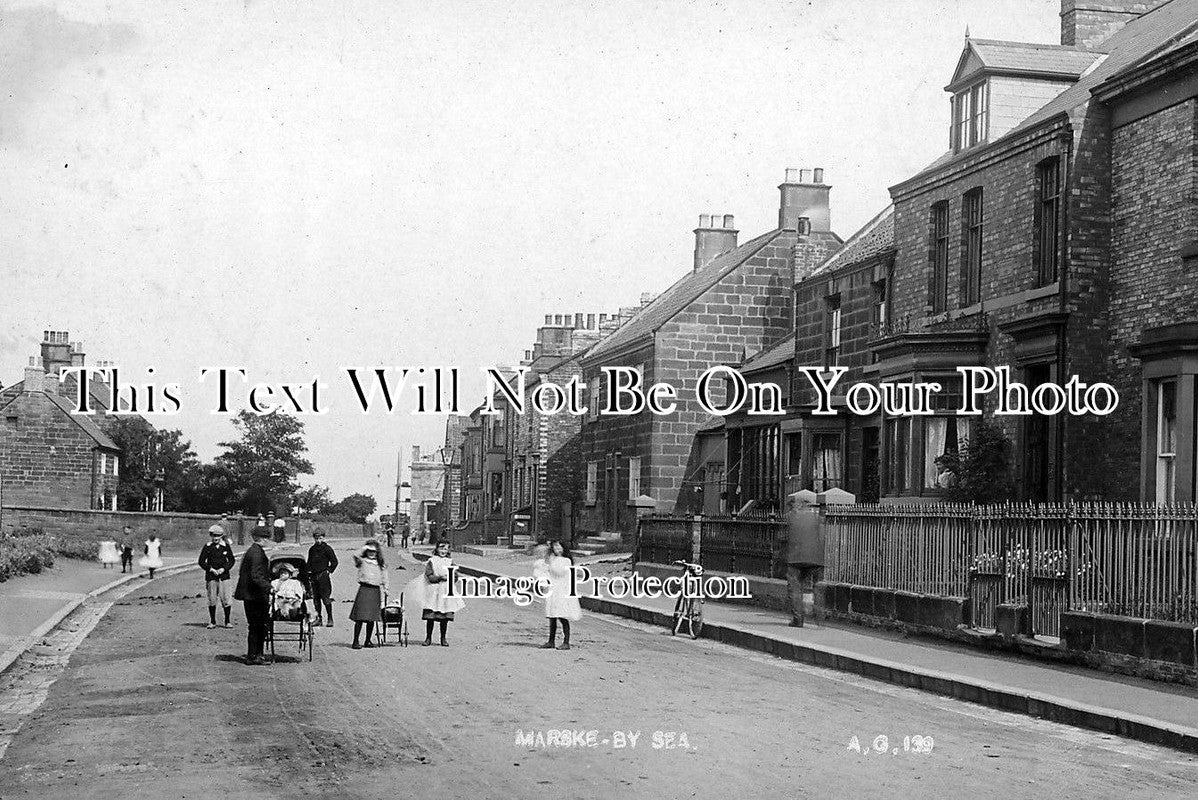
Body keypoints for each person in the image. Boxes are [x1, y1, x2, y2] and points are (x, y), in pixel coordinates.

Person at [406, 540, 465, 647]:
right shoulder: (432, 561)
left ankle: (443, 638)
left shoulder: (450, 562)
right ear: (436, 549)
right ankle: (428, 637)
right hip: (433, 591)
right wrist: (438, 578)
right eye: (441, 548)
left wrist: (450, 577)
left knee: (444, 616)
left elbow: (455, 576)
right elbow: (429, 575)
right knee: (431, 616)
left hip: (445, 591)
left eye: (446, 549)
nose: (443, 551)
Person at [785, 492, 825, 627]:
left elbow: (783, 537)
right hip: (815, 558)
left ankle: (798, 619)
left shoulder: (792, 517)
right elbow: (821, 535)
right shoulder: (816, 518)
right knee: (814, 586)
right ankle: (818, 612)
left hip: (795, 558)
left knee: (795, 588)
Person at [234, 525, 272, 665]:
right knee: (256, 625)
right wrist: (270, 588)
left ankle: (257, 654)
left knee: (258, 625)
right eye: (267, 538)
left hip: (252, 594)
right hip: (254, 595)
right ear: (261, 538)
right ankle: (253, 656)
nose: (268, 541)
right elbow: (256, 576)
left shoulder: (254, 551)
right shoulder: (256, 553)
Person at [541, 540, 582, 650]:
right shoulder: (552, 559)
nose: (557, 549)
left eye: (559, 547)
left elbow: (559, 572)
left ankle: (566, 641)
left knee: (562, 616)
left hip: (562, 591)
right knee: (552, 617)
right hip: (553, 589)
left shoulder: (566, 561)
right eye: (554, 547)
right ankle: (551, 641)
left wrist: (549, 564)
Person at [349, 540, 388, 649]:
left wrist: (386, 588)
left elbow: (385, 576)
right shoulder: (362, 561)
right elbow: (355, 555)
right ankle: (355, 641)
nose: (371, 553)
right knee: (360, 617)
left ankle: (368, 640)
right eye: (369, 551)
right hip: (364, 589)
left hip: (375, 590)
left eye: (374, 551)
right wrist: (364, 548)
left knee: (371, 618)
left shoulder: (380, 564)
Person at [198, 524, 236, 628]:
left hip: (224, 576)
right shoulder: (208, 547)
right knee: (212, 599)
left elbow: (231, 560)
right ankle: (213, 621)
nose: (216, 538)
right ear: (211, 536)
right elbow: (201, 561)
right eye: (214, 536)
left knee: (226, 598)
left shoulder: (226, 546)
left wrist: (224, 569)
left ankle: (227, 621)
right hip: (212, 576)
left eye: (218, 536)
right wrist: (210, 569)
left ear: (221, 536)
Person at [307, 528, 339, 627]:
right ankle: (318, 619)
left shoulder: (327, 549)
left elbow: (334, 562)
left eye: (320, 538)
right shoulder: (312, 549)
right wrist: (308, 573)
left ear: (324, 538)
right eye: (316, 538)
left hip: (323, 576)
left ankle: (330, 618)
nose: (318, 541)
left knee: (326, 599)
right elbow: (309, 562)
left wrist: (329, 571)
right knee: (316, 599)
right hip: (314, 576)